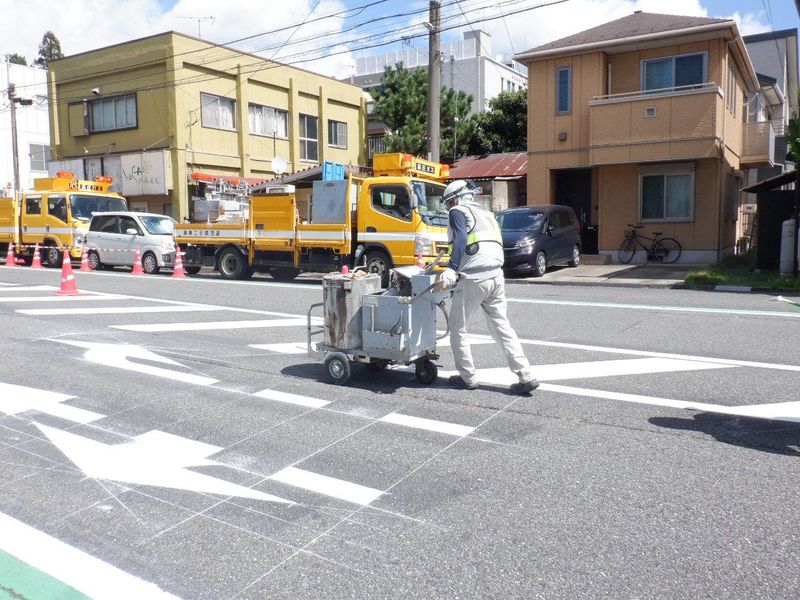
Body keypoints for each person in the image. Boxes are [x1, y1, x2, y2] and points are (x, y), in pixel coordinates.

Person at [439, 180, 539, 395]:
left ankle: (468, 377)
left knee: (458, 327)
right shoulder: (487, 214)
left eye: (449, 203)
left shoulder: (458, 211)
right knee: (502, 327)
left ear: (455, 198)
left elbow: (460, 240)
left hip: (473, 277)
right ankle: (526, 374)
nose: (449, 207)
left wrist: (451, 268)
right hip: (496, 276)